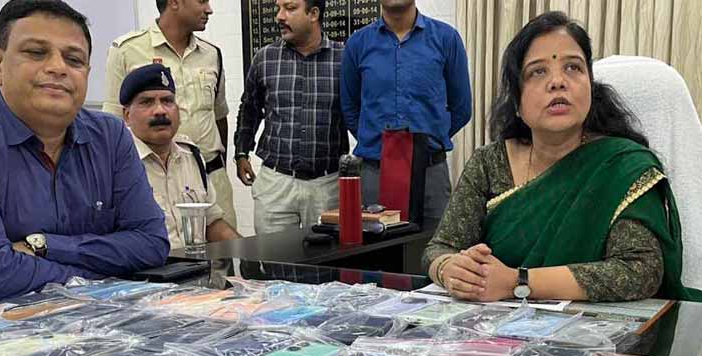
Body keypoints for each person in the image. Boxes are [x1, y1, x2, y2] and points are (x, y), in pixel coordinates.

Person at [0, 0, 170, 318]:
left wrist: (44, 245)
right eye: (36, 53)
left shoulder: (111, 136)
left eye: (74, 59)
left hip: (83, 321)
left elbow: (151, 243)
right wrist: (99, 276)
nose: (58, 67)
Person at [422, 11, 702, 304]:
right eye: (538, 71)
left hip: (599, 327)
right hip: (492, 327)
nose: (557, 81)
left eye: (573, 68)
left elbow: (639, 271)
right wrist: (450, 269)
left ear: (590, 87)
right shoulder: (488, 163)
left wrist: (518, 281)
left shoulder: (622, 167)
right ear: (517, 102)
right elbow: (441, 247)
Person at [104, 0, 238, 231]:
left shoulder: (211, 54)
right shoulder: (127, 50)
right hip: (151, 178)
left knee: (225, 247)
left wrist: (218, 169)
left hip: (209, 175)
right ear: (174, 2)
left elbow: (218, 116)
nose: (209, 9)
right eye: (202, 1)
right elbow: (114, 123)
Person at [340, 0, 471, 218]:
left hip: (430, 175)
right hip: (374, 174)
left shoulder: (447, 39)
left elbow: (462, 108)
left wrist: (430, 138)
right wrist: (379, 144)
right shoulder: (357, 44)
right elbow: (350, 109)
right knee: (375, 240)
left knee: (435, 239)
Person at [233, 0, 347, 234]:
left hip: (328, 184)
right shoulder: (265, 58)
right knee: (273, 255)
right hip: (276, 183)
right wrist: (241, 152)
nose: (279, 16)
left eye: (290, 8)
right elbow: (249, 109)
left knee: (329, 255)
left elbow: (358, 112)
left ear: (313, 14)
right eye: (278, 8)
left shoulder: (344, 59)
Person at [121, 63, 240, 248]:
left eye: (167, 101)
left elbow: (212, 223)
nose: (160, 110)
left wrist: (248, 255)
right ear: (127, 115)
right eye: (147, 102)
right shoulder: (117, 164)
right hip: (148, 266)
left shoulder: (191, 156)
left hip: (196, 264)